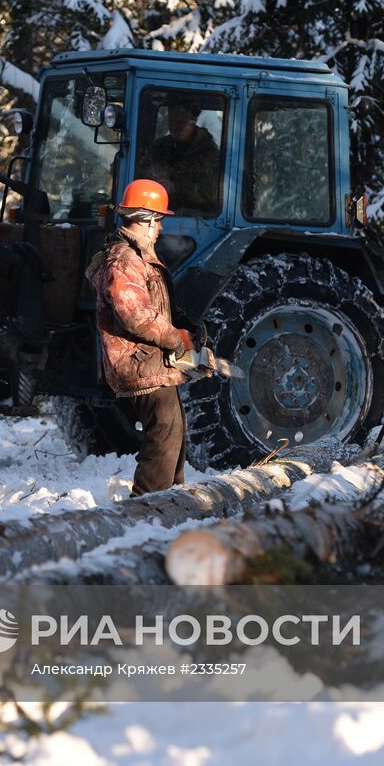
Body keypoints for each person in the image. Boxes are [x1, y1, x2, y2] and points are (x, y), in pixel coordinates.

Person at [86, 179, 198, 495]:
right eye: (159, 220)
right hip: (137, 360)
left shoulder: (141, 257)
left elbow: (154, 305)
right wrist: (176, 337)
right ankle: (147, 504)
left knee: (174, 429)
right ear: (146, 219)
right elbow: (134, 314)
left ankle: (170, 499)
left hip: (151, 359)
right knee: (163, 429)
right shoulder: (124, 259)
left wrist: (184, 321)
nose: (161, 228)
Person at [140, 98, 220, 215]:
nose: (176, 125)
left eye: (182, 119)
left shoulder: (208, 153)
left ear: (193, 119)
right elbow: (141, 173)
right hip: (154, 212)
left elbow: (212, 196)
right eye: (172, 119)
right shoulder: (159, 147)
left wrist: (176, 188)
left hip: (194, 221)